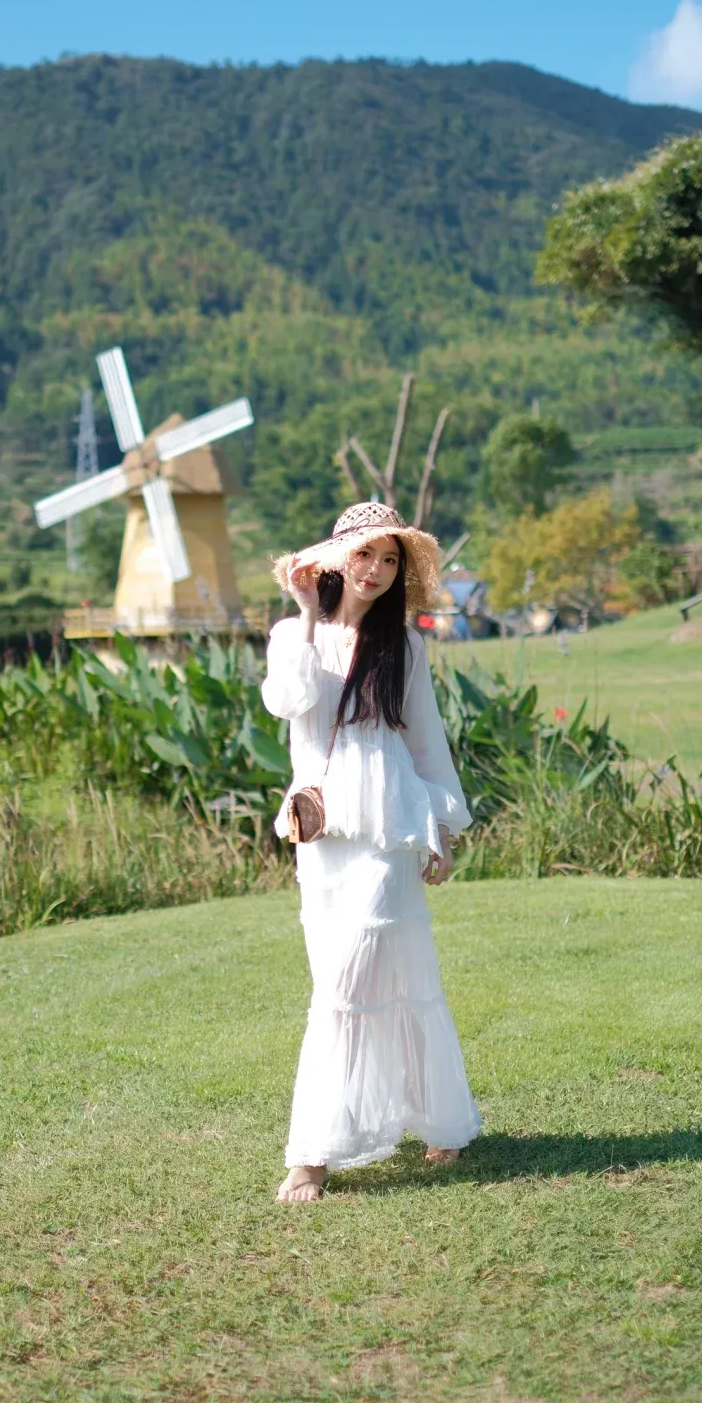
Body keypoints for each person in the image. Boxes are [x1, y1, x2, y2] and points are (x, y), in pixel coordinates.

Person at [263, 501, 482, 1203]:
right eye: (365, 555)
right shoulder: (292, 635)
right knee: (359, 972)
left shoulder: (405, 646)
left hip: (392, 822)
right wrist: (306, 612)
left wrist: (443, 829)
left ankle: (313, 1156)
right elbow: (288, 701)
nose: (377, 570)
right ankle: (436, 1120)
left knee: (354, 977)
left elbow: (426, 743)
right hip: (325, 832)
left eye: (390, 560)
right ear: (337, 559)